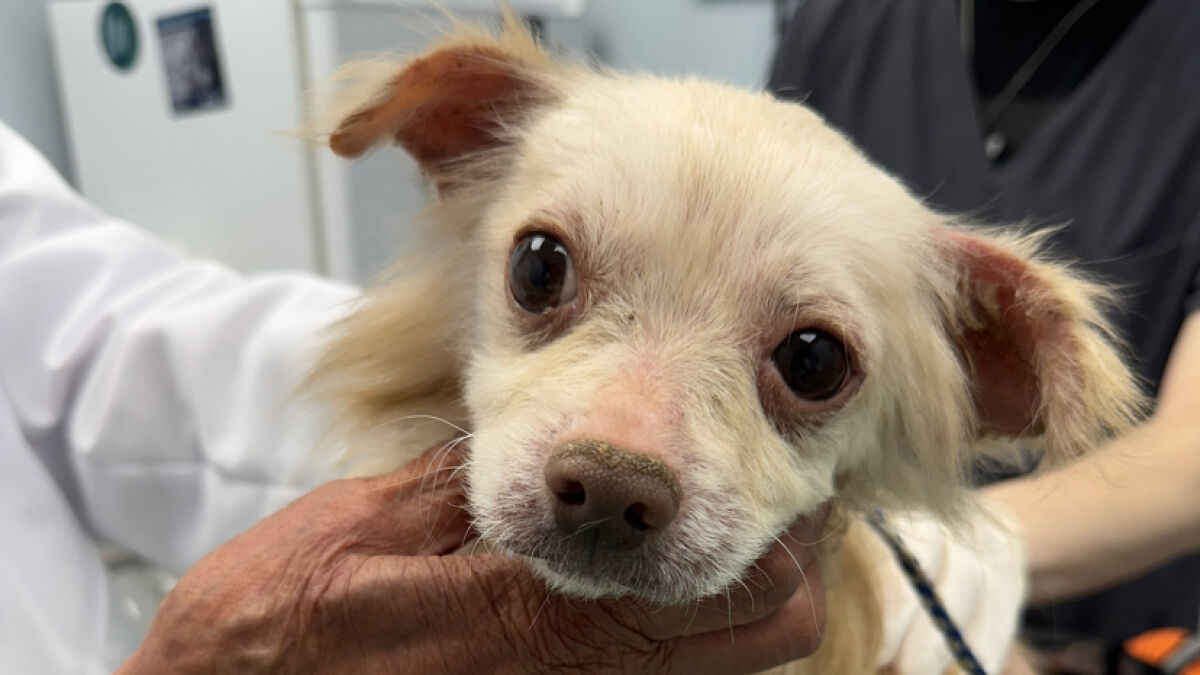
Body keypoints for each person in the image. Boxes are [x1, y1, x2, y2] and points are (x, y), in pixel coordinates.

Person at [768, 0, 1200, 668]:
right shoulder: (842, 29)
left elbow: (1189, 453)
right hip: (831, 622)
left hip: (1115, 639)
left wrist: (941, 560)